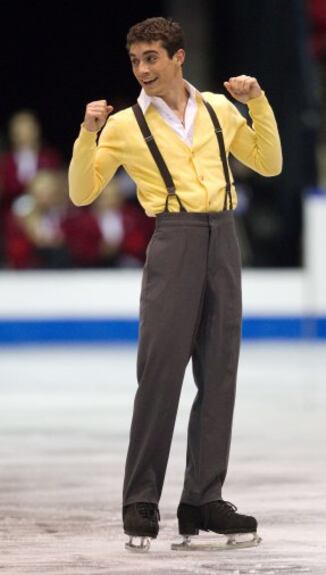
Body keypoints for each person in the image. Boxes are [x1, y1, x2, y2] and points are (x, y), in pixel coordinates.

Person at [68, 16, 282, 551]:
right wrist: (86, 134)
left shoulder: (217, 108)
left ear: (178, 57)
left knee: (220, 373)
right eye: (136, 60)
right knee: (161, 373)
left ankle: (202, 500)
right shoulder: (122, 126)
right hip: (174, 239)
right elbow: (80, 193)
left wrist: (257, 104)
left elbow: (270, 163)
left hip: (223, 239)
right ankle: (141, 499)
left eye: (151, 58)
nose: (142, 69)